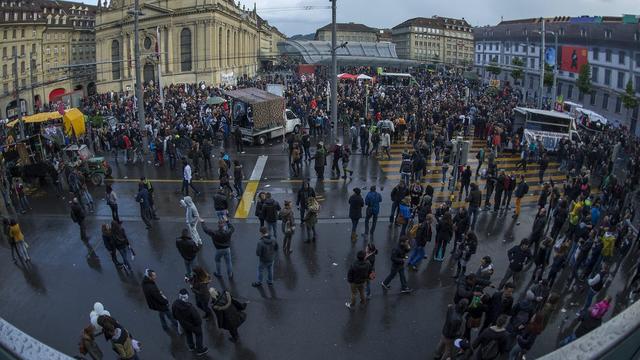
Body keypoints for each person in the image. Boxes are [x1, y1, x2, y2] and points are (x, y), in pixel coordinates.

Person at [172, 289, 208, 355]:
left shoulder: (174, 304)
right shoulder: (189, 307)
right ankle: (200, 350)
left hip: (184, 325)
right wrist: (199, 323)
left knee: (188, 335)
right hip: (194, 325)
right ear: (187, 296)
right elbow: (196, 318)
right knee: (199, 335)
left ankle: (191, 347)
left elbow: (174, 316)